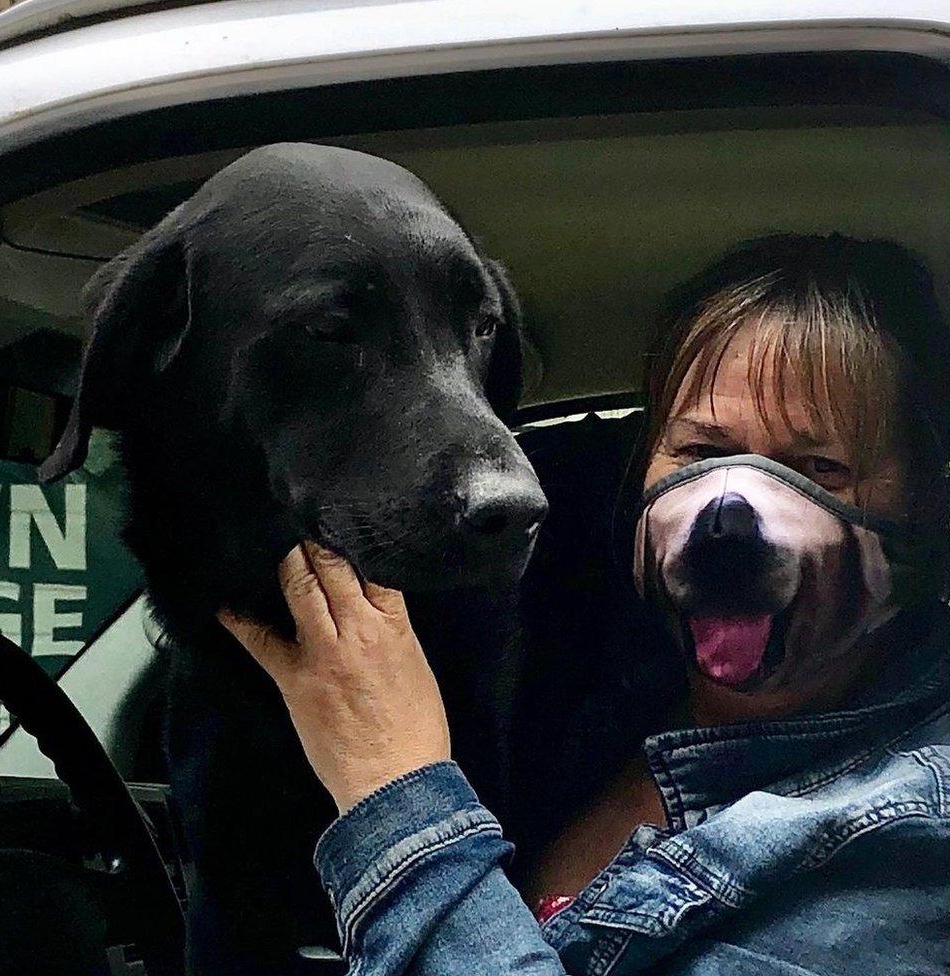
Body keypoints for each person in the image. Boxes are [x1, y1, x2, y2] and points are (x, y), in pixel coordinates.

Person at [219, 234, 950, 975]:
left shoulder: (914, 835)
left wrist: (395, 787)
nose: (732, 504)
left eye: (820, 467)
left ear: (923, 503)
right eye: (699, 453)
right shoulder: (593, 671)